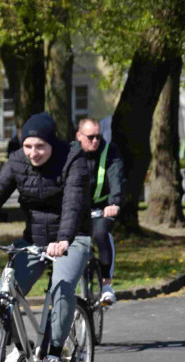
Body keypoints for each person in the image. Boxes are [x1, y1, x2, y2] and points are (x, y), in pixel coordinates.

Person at [0, 111, 91, 362]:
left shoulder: (73, 159)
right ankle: (22, 350)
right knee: (2, 296)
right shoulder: (18, 161)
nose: (33, 153)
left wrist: (65, 238)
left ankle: (54, 355)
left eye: (40, 146)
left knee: (62, 287)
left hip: (72, 238)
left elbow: (73, 203)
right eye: (28, 146)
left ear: (52, 143)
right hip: (34, 239)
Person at [73, 117, 123, 304]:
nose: (95, 141)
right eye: (90, 137)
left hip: (102, 208)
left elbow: (116, 177)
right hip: (77, 208)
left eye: (98, 137)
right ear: (79, 136)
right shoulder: (70, 152)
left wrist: (114, 202)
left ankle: (106, 285)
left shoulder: (109, 152)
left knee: (101, 233)